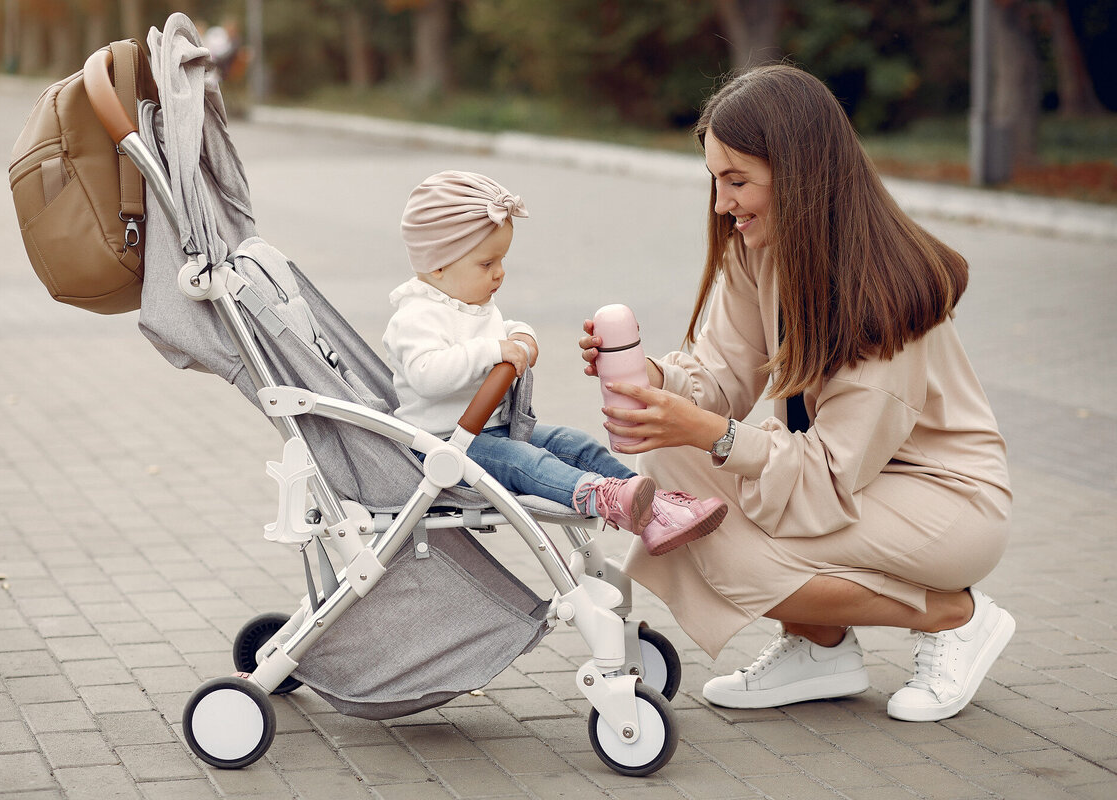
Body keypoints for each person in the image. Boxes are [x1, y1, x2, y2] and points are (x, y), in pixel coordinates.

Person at [578, 65, 1014, 722]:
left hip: (944, 500)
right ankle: (822, 648)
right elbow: (722, 379)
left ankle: (957, 614)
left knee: (726, 551)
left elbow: (828, 474)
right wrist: (654, 382)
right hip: (848, 478)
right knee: (670, 471)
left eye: (738, 180)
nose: (723, 203)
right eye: (716, 180)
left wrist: (711, 435)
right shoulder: (759, 248)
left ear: (801, 173)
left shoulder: (883, 296)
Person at [385, 170, 728, 555]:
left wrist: (521, 336)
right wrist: (494, 352)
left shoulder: (468, 299)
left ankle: (657, 510)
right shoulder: (415, 317)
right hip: (444, 446)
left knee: (572, 442)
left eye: (502, 260)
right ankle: (597, 496)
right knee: (523, 461)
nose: (500, 272)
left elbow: (502, 328)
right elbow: (426, 374)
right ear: (438, 265)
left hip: (491, 431)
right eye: (487, 264)